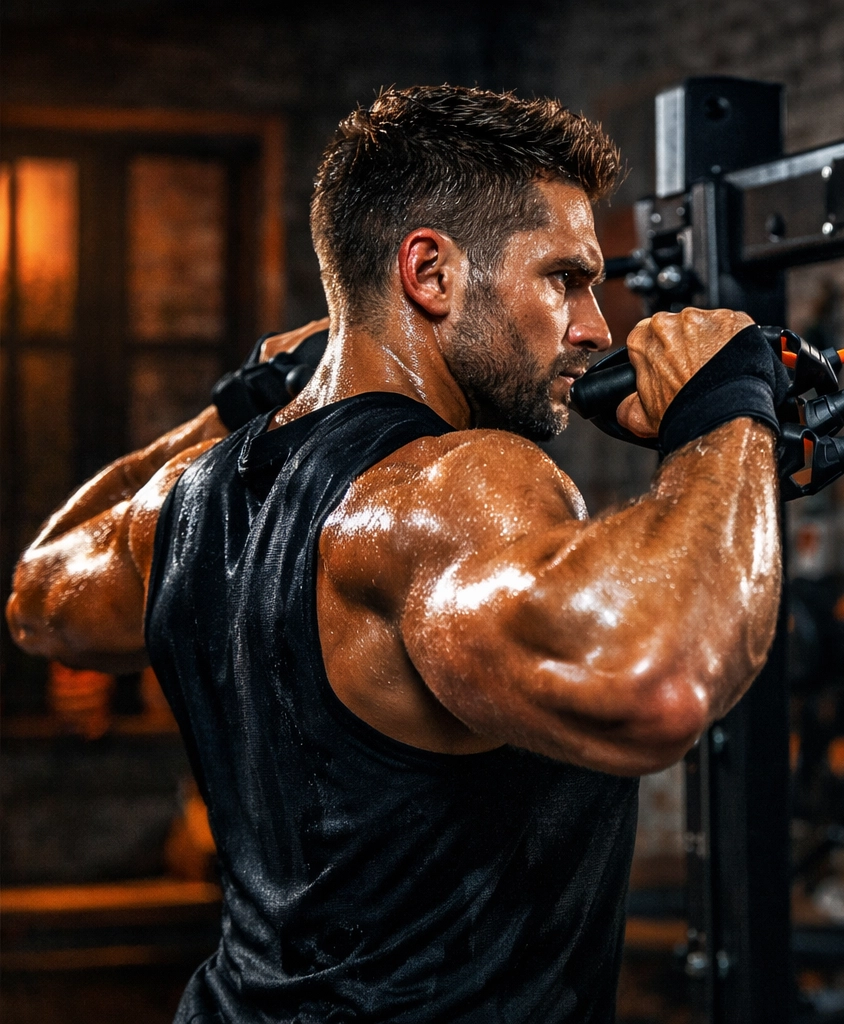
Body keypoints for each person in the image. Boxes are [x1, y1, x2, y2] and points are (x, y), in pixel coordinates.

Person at [7, 86, 787, 1023]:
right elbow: (653, 684)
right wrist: (725, 415)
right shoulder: (457, 483)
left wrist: (235, 406)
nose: (595, 328)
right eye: (563, 279)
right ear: (431, 273)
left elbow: (38, 595)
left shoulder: (186, 499)